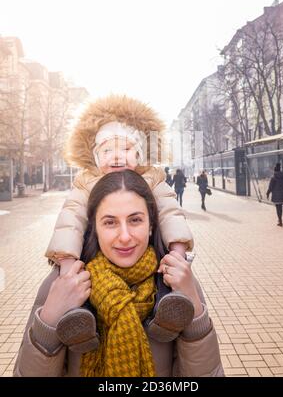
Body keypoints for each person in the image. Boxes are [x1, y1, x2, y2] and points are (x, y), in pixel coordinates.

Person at [13, 170, 224, 377]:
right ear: (94, 227)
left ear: (151, 225)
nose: (124, 237)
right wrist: (48, 322)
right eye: (110, 222)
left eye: (135, 220)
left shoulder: (177, 281)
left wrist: (195, 313)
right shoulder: (64, 283)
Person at [44, 95, 194, 350]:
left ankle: (166, 314)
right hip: (95, 261)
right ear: (94, 156)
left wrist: (177, 252)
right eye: (106, 151)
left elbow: (171, 213)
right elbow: (70, 221)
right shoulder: (86, 182)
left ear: (139, 154)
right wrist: (67, 265)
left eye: (125, 150)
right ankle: (79, 323)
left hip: (152, 261)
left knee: (163, 282)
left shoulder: (152, 179)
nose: (116, 157)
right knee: (84, 288)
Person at [266, 162, 283, 227]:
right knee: (280, 207)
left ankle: (280, 220)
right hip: (282, 194)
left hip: (276, 195)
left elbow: (270, 187)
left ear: (275, 170)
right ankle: (280, 219)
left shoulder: (273, 177)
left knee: (277, 207)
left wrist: (267, 193)